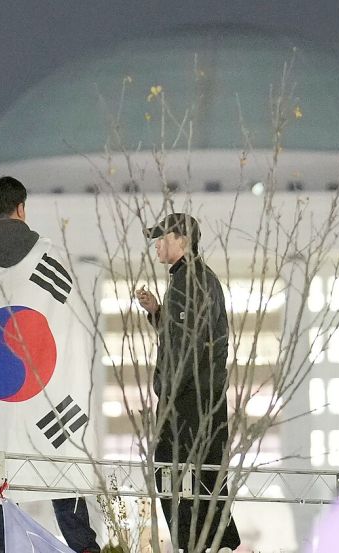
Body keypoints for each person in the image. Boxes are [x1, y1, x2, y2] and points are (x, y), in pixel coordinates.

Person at [0, 176, 100, 553]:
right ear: (21, 208)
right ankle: (84, 547)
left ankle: (4, 546)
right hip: (42, 381)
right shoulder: (45, 255)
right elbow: (69, 312)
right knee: (59, 464)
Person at [136, 212, 241, 552]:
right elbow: (188, 337)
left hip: (188, 399)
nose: (156, 244)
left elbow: (186, 349)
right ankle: (221, 545)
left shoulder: (188, 281)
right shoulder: (198, 278)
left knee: (169, 473)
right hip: (206, 397)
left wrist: (165, 395)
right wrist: (158, 313)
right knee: (207, 478)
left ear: (182, 241)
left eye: (162, 238)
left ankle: (195, 545)